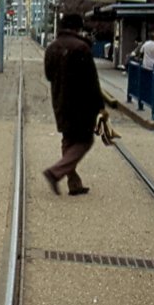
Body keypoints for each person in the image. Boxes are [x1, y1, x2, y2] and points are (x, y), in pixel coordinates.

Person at [42, 14, 106, 196]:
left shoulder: (52, 48)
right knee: (85, 141)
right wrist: (100, 106)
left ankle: (74, 183)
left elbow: (48, 75)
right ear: (77, 28)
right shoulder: (81, 48)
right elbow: (92, 81)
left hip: (60, 101)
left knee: (68, 140)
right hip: (81, 104)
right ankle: (55, 172)